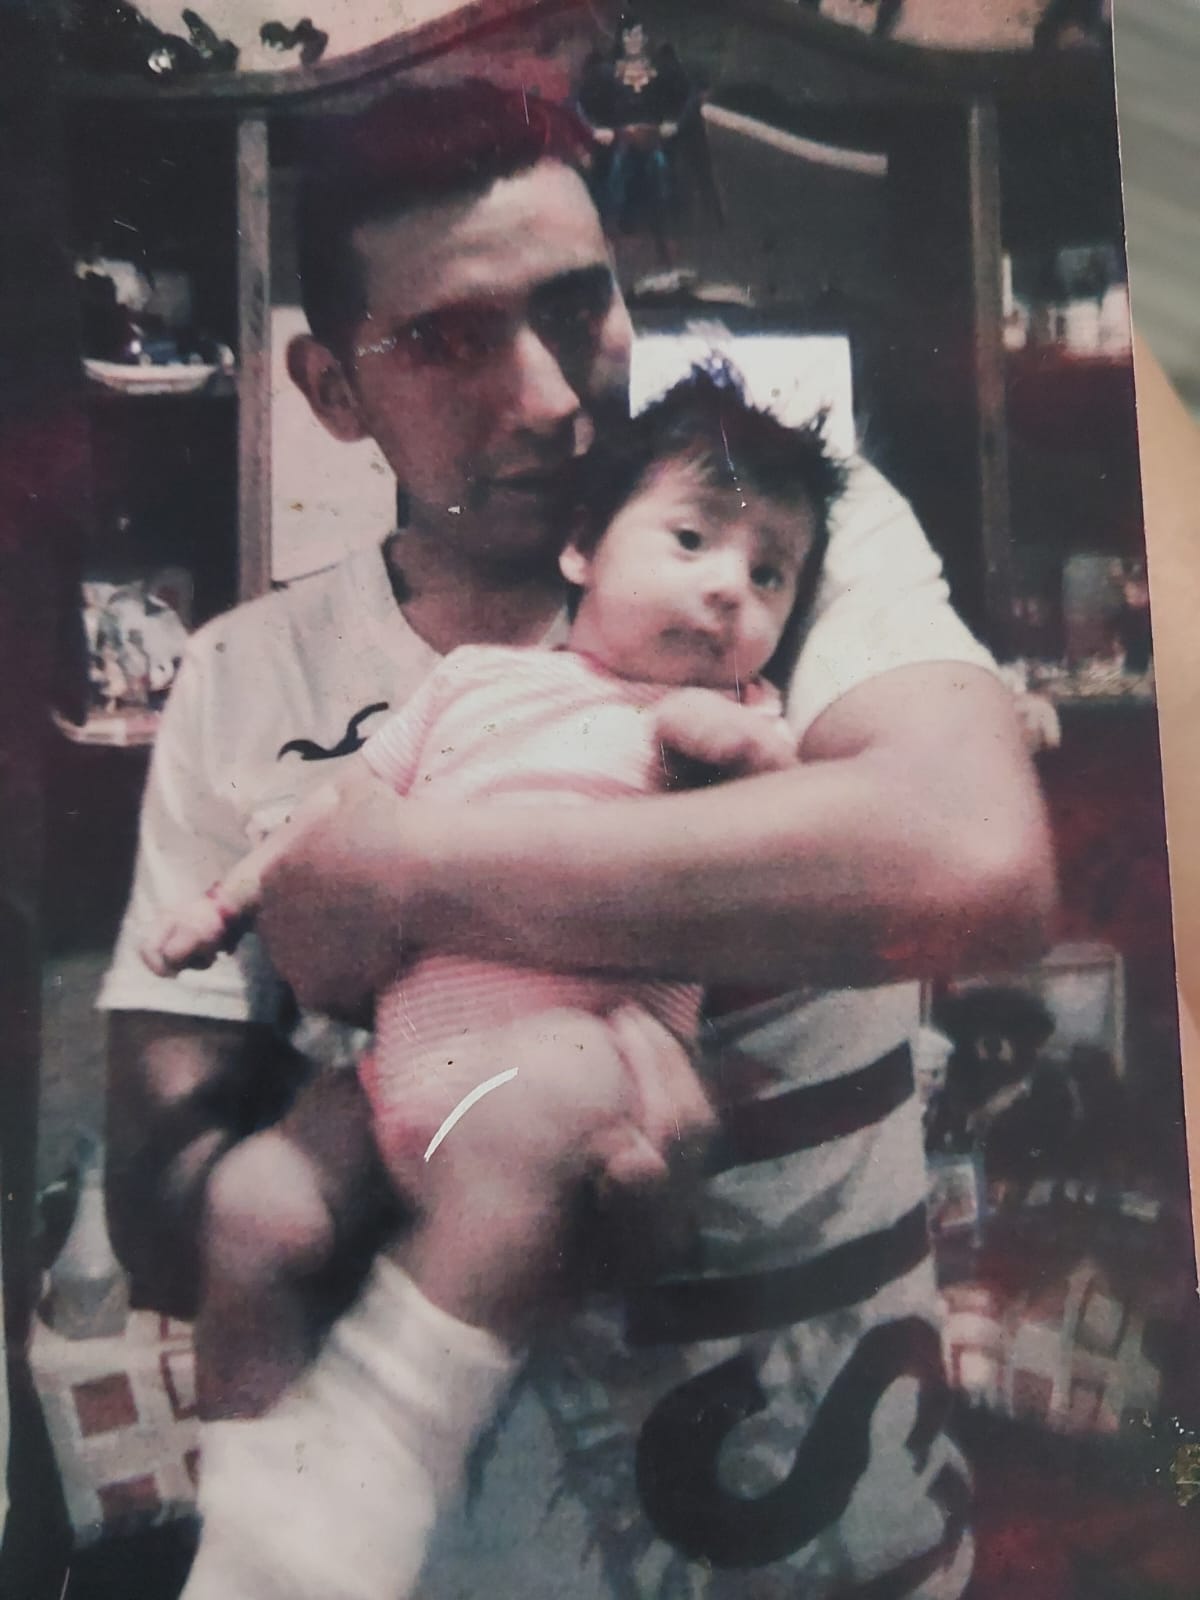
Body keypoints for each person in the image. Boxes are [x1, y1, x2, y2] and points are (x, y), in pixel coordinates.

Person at [100, 78, 1052, 1599]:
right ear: (331, 390)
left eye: (577, 305)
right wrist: (473, 1181)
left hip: (829, 1528)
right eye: (448, 340)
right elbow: (164, 1210)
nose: (548, 394)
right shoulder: (247, 678)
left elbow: (976, 864)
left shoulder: (763, 528)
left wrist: (401, 876)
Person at [141, 363, 844, 1420]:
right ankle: (255, 1485)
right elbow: (340, 808)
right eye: (692, 539)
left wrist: (747, 742)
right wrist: (223, 902)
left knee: (550, 1104)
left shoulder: (734, 720)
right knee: (253, 1204)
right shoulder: (472, 679)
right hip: (398, 1082)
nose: (728, 589)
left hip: (571, 1096)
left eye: (771, 573)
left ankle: (386, 1443)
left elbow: (792, 815)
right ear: (581, 549)